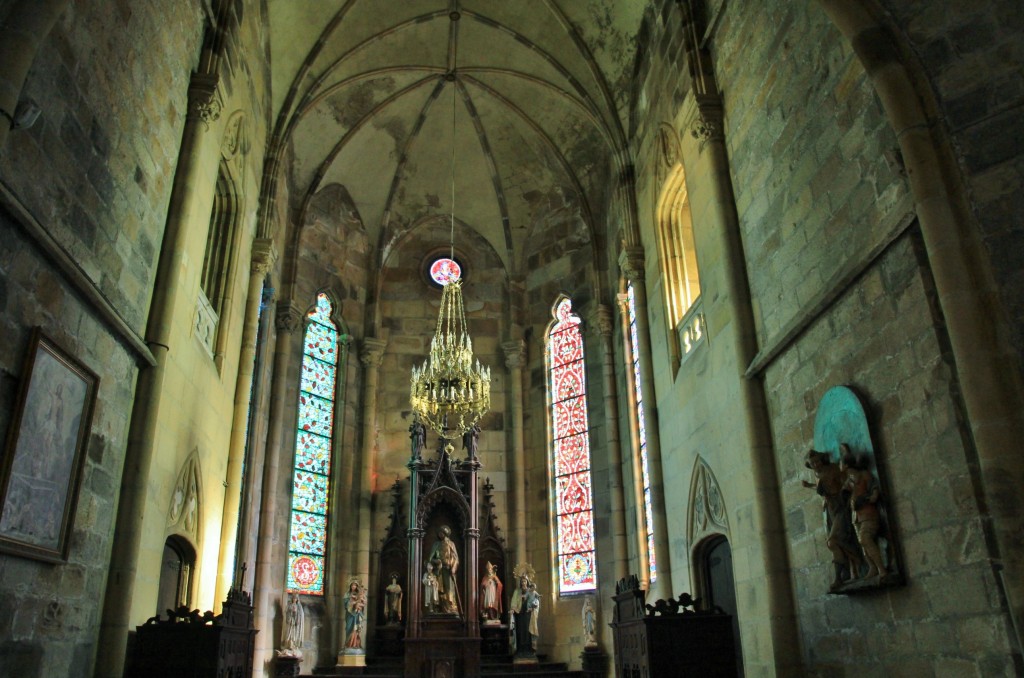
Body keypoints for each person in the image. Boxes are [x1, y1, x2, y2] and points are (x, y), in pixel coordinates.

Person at [802, 447, 861, 589]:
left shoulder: (834, 468)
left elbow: (845, 482)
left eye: (816, 461)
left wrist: (846, 498)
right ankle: (844, 572)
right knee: (835, 541)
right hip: (830, 509)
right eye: (812, 464)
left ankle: (855, 560)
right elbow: (821, 489)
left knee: (833, 541)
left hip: (840, 506)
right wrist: (810, 485)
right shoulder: (818, 474)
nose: (816, 465)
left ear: (821, 459)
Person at [842, 452, 887, 580]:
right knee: (862, 544)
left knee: (864, 538)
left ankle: (881, 568)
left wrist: (873, 495)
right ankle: (872, 567)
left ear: (845, 465)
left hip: (868, 512)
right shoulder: (849, 479)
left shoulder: (864, 475)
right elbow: (845, 494)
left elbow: (874, 486)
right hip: (856, 516)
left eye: (841, 463)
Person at [427, 525, 460, 614]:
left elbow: (455, 558)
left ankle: (450, 607)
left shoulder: (451, 543)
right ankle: (439, 607)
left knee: (449, 589)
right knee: (439, 589)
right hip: (438, 570)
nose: (440, 534)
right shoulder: (436, 544)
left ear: (445, 533)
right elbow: (430, 558)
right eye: (439, 533)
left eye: (441, 532)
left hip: (449, 570)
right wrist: (436, 561)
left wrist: (453, 568)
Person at [510, 575, 540, 656]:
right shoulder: (517, 591)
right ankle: (520, 649)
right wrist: (513, 608)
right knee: (520, 630)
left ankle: (529, 649)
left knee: (528, 631)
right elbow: (513, 601)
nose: (523, 583)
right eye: (522, 581)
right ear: (520, 582)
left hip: (528, 614)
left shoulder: (531, 591)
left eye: (525, 581)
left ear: (527, 582)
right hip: (519, 614)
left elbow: (536, 600)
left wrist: (533, 606)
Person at [343, 580, 366, 651]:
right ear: (350, 586)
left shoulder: (359, 594)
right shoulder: (347, 594)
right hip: (350, 614)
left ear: (357, 586)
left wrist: (360, 602)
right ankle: (348, 645)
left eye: (355, 585)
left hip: (357, 614)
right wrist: (352, 602)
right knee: (349, 628)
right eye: (352, 585)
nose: (353, 586)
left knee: (356, 628)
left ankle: (356, 644)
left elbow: (363, 603)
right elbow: (345, 604)